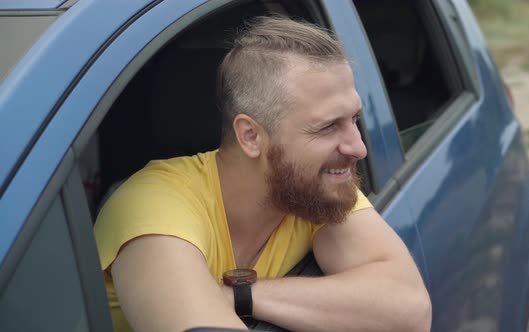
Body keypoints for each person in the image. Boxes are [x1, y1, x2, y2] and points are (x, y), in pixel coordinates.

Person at [94, 16, 431, 332]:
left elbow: (410, 310)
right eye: (328, 126)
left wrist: (241, 295)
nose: (358, 148)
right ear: (251, 136)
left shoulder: (311, 187)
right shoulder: (153, 207)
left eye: (354, 119)